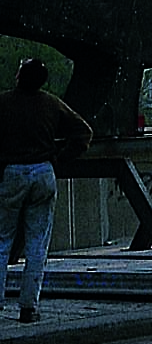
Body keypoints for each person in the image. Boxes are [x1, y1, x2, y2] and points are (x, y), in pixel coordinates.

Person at [0, 58, 92, 323]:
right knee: (37, 244)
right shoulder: (51, 103)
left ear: (18, 76)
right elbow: (84, 133)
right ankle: (29, 307)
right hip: (43, 173)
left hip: (11, 173)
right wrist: (61, 158)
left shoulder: (4, 102)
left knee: (2, 241)